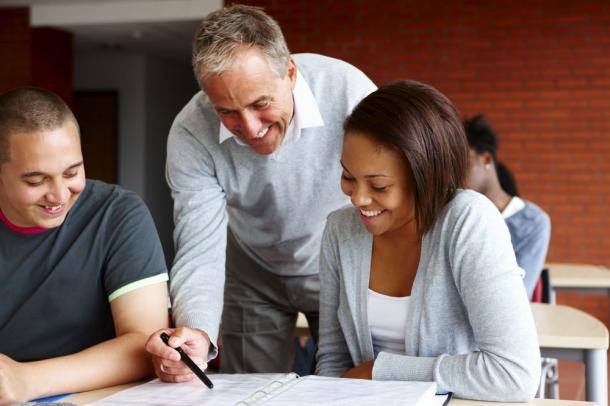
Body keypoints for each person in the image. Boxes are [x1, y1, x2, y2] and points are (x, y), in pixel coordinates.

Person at [145, 4, 376, 379]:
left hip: (341, 265)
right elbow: (199, 246)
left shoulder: (349, 92)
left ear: (289, 72)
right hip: (253, 273)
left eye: (260, 104)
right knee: (249, 390)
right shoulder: (190, 132)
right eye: (227, 112)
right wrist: (197, 332)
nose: (249, 129)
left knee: (347, 387)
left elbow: (387, 198)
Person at [315, 81, 540, 401]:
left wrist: (379, 371)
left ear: (427, 177)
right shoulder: (340, 230)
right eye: (349, 177)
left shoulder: (469, 221)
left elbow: (514, 374)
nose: (358, 198)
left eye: (378, 186)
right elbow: (333, 362)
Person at [0, 87, 169, 404]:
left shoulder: (117, 215)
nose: (59, 195)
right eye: (36, 181)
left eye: (71, 172)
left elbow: (145, 343)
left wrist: (24, 381)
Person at [464, 115, 551, 299]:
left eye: (461, 162)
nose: (454, 173)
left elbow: (516, 294)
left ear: (486, 159)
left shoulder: (532, 222)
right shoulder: (456, 214)